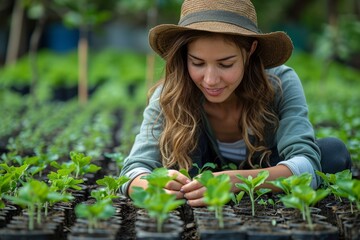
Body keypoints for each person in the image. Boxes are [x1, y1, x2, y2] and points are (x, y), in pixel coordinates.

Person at [120, 0, 352, 206]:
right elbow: (133, 170)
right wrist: (151, 185)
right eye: (198, 63)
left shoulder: (280, 82)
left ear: (250, 51)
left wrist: (237, 181)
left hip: (266, 167)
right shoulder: (170, 93)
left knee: (332, 153)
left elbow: (306, 163)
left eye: (225, 64)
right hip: (194, 176)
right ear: (184, 55)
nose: (210, 80)